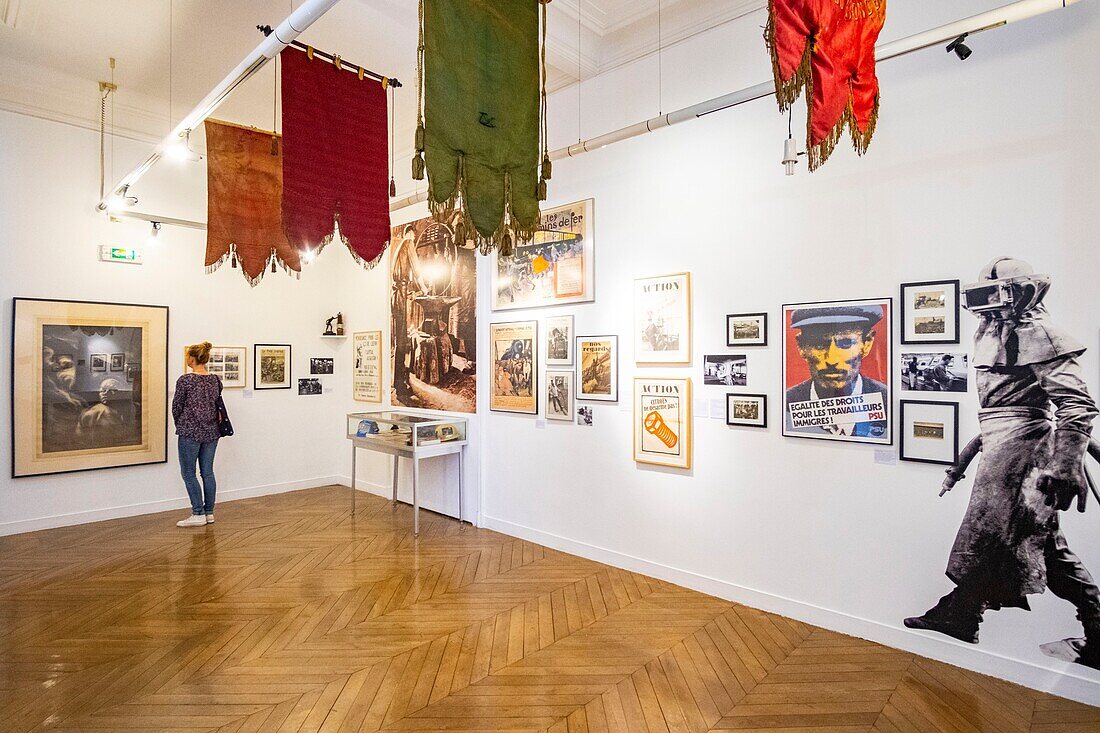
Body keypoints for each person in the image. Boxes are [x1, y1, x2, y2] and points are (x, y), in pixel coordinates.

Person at [904, 257, 1100, 670]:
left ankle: (960, 612)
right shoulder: (996, 333)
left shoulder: (1042, 334)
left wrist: (1065, 464)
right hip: (1003, 453)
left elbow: (1076, 405)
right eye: (980, 298)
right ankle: (961, 613)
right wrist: (959, 468)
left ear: (1026, 292)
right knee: (1024, 542)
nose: (989, 307)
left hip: (1027, 459)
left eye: (997, 296)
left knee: (1016, 541)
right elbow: (998, 415)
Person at [785, 305, 888, 438]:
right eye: (818, 345)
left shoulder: (887, 401)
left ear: (867, 344)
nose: (832, 359)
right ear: (801, 346)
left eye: (846, 343)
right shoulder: (786, 403)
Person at [172, 342, 223, 527]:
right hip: (212, 432)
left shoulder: (185, 380)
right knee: (207, 473)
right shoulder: (215, 380)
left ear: (192, 359)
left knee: (188, 473)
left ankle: (198, 513)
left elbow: (177, 407)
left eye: (187, 356)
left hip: (190, 432)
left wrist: (181, 423)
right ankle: (209, 513)